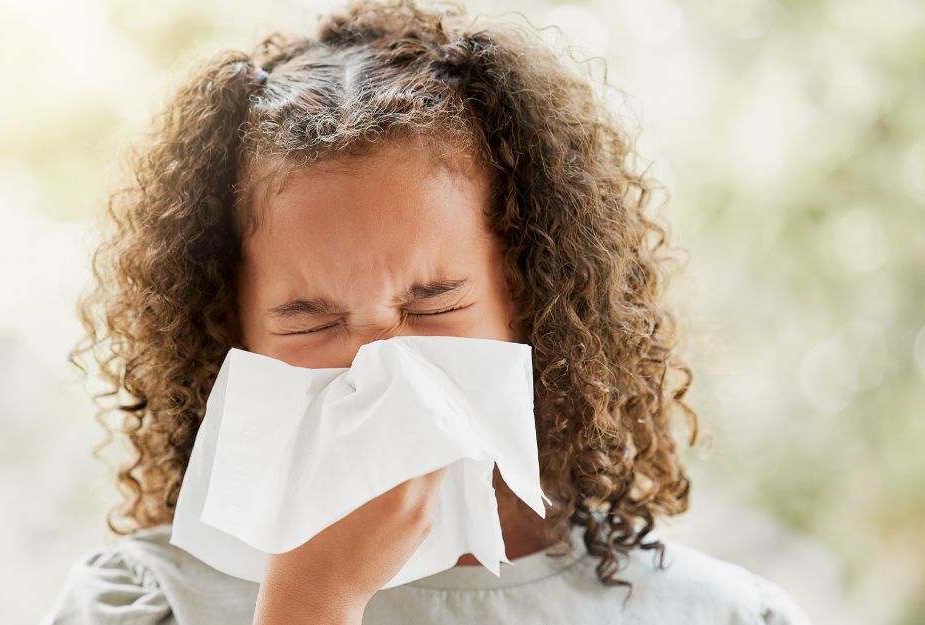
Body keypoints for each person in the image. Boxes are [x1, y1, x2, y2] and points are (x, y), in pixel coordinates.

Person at [43, 0, 814, 623]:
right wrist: (310, 602)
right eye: (312, 319)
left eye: (434, 302)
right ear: (230, 333)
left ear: (530, 298)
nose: (381, 363)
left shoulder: (716, 613)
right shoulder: (146, 603)